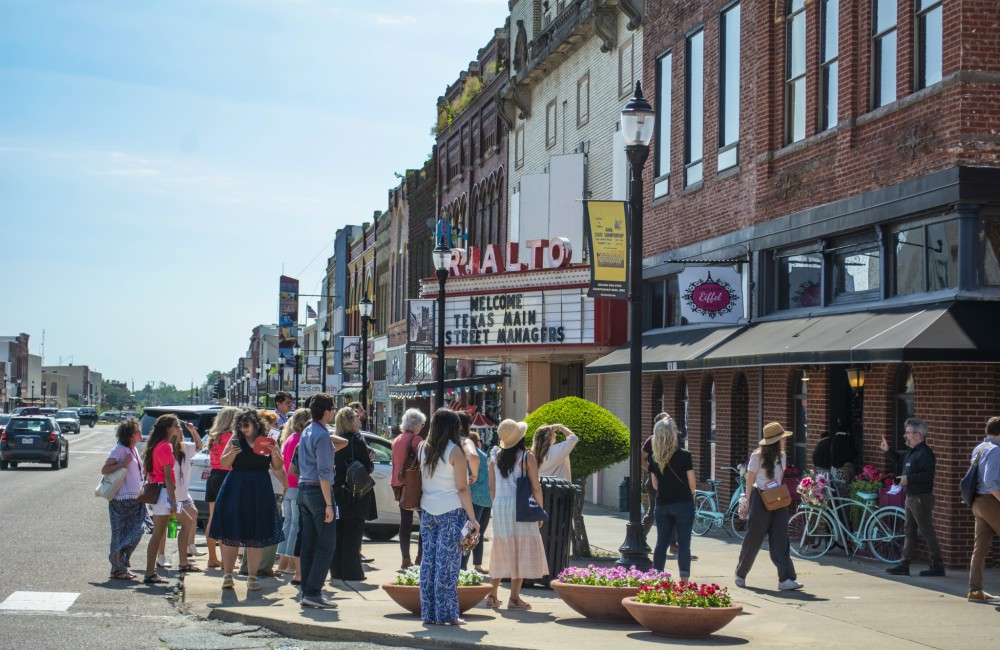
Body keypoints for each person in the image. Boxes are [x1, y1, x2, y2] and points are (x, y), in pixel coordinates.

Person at [209, 408, 287, 591]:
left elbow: (278, 466)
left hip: (260, 487)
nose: (243, 428)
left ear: (255, 424)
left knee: (256, 535)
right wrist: (233, 453)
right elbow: (224, 463)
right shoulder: (235, 440)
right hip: (236, 487)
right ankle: (228, 575)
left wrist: (275, 451)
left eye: (246, 425)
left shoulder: (266, 440)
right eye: (240, 425)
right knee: (231, 534)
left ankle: (252, 577)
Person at [418, 409, 480, 625]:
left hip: (427, 511)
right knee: (448, 565)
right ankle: (448, 614)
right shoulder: (455, 452)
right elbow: (463, 489)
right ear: (454, 427)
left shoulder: (423, 448)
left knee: (429, 564)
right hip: (451, 512)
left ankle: (429, 613)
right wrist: (473, 519)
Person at [486, 419, 548, 610]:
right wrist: (539, 510)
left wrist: (497, 505)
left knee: (501, 548)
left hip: (500, 504)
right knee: (520, 547)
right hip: (520, 504)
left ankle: (492, 594)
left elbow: (492, 486)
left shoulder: (495, 455)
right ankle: (514, 597)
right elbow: (536, 487)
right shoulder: (526, 457)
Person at [735, 422, 802, 591]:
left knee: (781, 537)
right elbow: (749, 480)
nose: (784, 441)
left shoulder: (782, 456)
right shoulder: (757, 457)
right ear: (776, 441)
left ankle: (785, 579)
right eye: (782, 438)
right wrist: (747, 501)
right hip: (760, 497)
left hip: (777, 497)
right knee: (754, 538)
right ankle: (741, 573)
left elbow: (779, 477)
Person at [297, 394, 348, 609]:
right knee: (327, 545)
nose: (334, 412)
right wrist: (329, 504)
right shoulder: (321, 435)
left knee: (309, 543)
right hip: (319, 492)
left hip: (303, 489)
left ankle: (307, 590)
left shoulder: (308, 431)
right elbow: (324, 473)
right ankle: (314, 591)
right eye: (332, 409)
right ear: (326, 412)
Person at [881, 418, 944, 577]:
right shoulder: (912, 451)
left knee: (926, 530)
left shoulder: (926, 453)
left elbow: (927, 475)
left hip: (921, 498)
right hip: (910, 497)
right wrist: (888, 450)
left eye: (908, 433)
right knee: (909, 531)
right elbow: (900, 460)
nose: (905, 435)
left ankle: (937, 565)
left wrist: (909, 479)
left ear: (917, 435)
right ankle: (904, 564)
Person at [240, 409, 287, 577]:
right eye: (274, 423)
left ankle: (248, 566)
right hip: (269, 488)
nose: (278, 426)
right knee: (268, 530)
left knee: (253, 531)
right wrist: (286, 483)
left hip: (259, 488)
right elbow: (277, 468)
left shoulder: (255, 441)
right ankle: (263, 567)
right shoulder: (267, 441)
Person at [330, 406, 374, 581]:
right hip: (355, 492)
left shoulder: (334, 440)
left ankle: (336, 570)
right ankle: (352, 572)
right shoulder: (356, 440)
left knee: (338, 533)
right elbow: (368, 467)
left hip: (336, 490)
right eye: (356, 417)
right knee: (353, 534)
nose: (359, 419)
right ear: (349, 421)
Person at [648, 415, 695, 579]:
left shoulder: (654, 458)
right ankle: (684, 583)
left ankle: (658, 580)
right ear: (672, 433)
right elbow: (693, 484)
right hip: (683, 504)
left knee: (661, 543)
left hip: (662, 505)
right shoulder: (684, 455)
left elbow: (655, 486)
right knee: (684, 545)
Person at [102, 418, 147, 580]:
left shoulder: (134, 449)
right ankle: (117, 568)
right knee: (120, 533)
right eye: (138, 431)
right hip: (121, 499)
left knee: (138, 531)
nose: (141, 433)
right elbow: (105, 469)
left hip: (136, 499)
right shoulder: (120, 449)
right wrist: (123, 463)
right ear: (130, 435)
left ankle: (120, 564)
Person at [141, 415, 183, 585]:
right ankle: (150, 573)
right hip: (164, 493)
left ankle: (151, 572)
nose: (178, 427)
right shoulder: (165, 447)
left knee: (159, 534)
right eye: (176, 425)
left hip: (159, 492)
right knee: (157, 535)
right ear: (168, 428)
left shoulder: (156, 445)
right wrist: (173, 500)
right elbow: (167, 475)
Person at [967, 417, 1000, 602]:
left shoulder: (980, 448)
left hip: (977, 502)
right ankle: (975, 590)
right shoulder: (996, 451)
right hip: (990, 502)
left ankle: (975, 590)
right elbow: (990, 481)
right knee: (980, 547)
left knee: (980, 548)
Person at [276, 408, 310, 580]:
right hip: (297, 485)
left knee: (287, 524)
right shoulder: (302, 439)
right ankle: (290, 564)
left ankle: (282, 561)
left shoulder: (289, 438)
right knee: (296, 526)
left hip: (288, 486)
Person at [204, 407, 240, 569]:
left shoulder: (213, 437)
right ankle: (227, 561)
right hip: (227, 477)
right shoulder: (231, 438)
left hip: (213, 476)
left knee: (213, 518)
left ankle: (212, 557)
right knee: (228, 520)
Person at [392, 408, 426, 569]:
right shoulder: (416, 440)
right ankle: (420, 556)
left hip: (400, 485)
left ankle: (405, 558)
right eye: (422, 424)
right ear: (416, 425)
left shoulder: (397, 439)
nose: (422, 427)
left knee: (405, 522)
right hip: (415, 485)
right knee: (424, 521)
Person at [170, 419, 203, 573]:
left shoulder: (184, 448)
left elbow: (199, 446)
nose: (182, 434)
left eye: (183, 432)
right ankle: (162, 555)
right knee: (168, 526)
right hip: (172, 494)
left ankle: (190, 547)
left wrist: (193, 431)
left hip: (183, 493)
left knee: (193, 514)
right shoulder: (167, 449)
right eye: (179, 432)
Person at [462, 430, 491, 573]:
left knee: (470, 532)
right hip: (485, 498)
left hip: (474, 497)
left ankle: (463, 565)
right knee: (478, 533)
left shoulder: (468, 455)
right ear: (477, 441)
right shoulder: (482, 455)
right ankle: (476, 565)